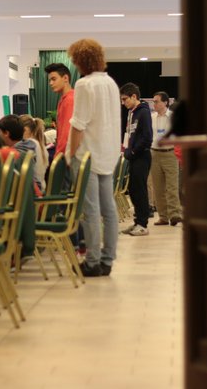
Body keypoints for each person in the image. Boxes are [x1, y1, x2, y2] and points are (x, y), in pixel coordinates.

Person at [66, 38, 120, 277]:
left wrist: (70, 154)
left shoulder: (84, 84)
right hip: (108, 154)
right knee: (109, 210)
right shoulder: (111, 83)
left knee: (90, 211)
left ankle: (92, 262)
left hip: (86, 155)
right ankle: (107, 260)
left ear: (80, 61)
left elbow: (78, 125)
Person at [120, 82, 153, 236]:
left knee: (140, 190)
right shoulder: (131, 113)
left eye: (125, 99)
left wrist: (133, 151)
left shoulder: (144, 112)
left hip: (142, 156)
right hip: (134, 156)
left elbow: (147, 137)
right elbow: (130, 134)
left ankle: (143, 224)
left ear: (134, 96)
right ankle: (138, 221)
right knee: (133, 190)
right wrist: (126, 149)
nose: (123, 102)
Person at [150, 91, 183, 226]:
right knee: (158, 188)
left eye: (156, 101)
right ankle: (163, 217)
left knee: (172, 186)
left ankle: (175, 215)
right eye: (153, 101)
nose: (154, 104)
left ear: (165, 102)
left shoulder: (173, 116)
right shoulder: (151, 117)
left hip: (170, 153)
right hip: (154, 154)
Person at [44, 62, 74, 160]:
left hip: (67, 156)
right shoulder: (64, 99)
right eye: (49, 80)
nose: (50, 83)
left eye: (54, 79)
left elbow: (67, 134)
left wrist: (57, 158)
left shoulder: (69, 100)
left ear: (65, 78)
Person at [18, 114, 49, 191]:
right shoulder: (40, 146)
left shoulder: (27, 146)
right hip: (41, 187)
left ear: (24, 130)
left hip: (33, 192)